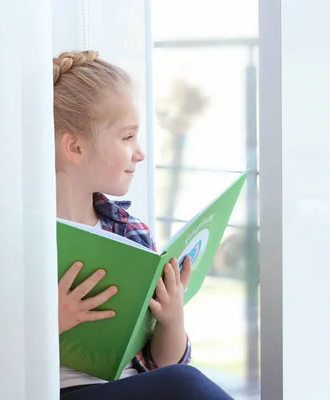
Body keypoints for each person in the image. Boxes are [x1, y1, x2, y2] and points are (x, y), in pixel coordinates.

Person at [53, 50, 234, 400]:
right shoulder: (20, 239)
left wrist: (171, 317)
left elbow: (162, 367)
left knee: (182, 378)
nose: (139, 153)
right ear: (74, 147)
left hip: (135, 387)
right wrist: (54, 321)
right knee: (184, 384)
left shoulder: (131, 234)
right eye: (127, 137)